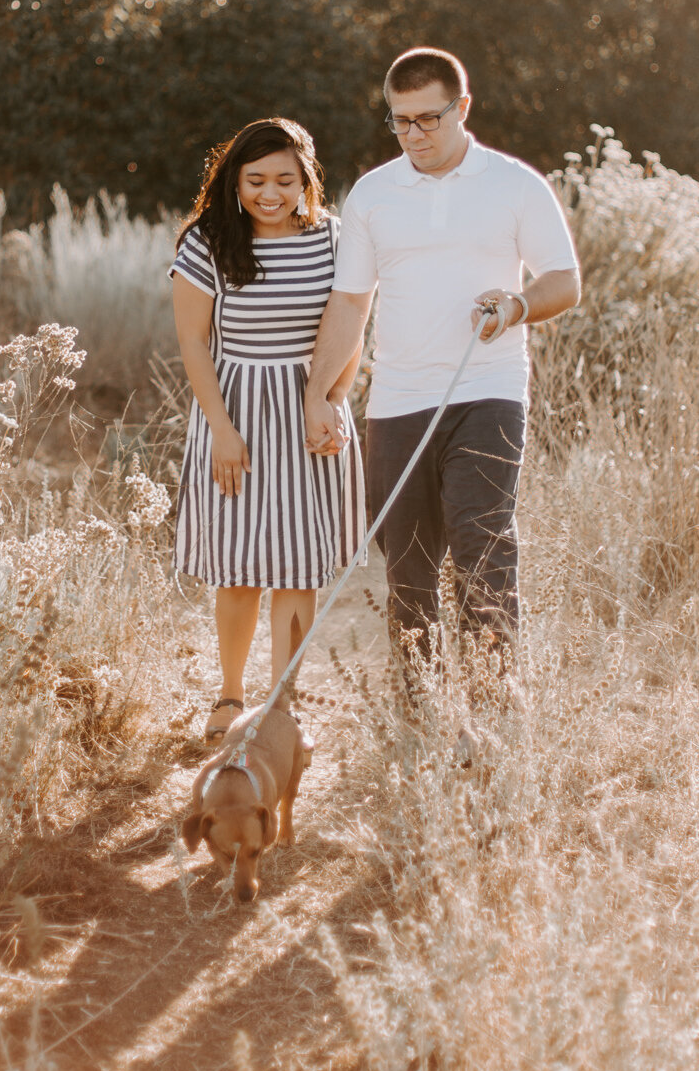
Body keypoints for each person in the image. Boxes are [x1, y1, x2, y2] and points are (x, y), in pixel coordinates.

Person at [303, 47, 581, 688]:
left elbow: (564, 282)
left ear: (463, 108)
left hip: (487, 390)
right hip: (396, 400)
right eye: (400, 122)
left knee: (481, 542)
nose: (414, 136)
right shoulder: (373, 194)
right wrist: (320, 393)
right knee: (408, 563)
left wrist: (516, 305)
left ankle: (493, 704)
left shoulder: (514, 184)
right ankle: (419, 706)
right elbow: (350, 303)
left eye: (428, 119)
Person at [170, 118, 366, 743]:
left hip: (309, 409)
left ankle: (281, 702)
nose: (270, 193)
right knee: (239, 565)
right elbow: (194, 345)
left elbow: (352, 327)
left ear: (306, 178)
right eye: (256, 180)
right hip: (236, 410)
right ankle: (229, 696)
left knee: (298, 565)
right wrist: (222, 431)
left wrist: (333, 399)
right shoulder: (207, 242)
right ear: (234, 180)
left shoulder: (335, 240)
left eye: (285, 179)